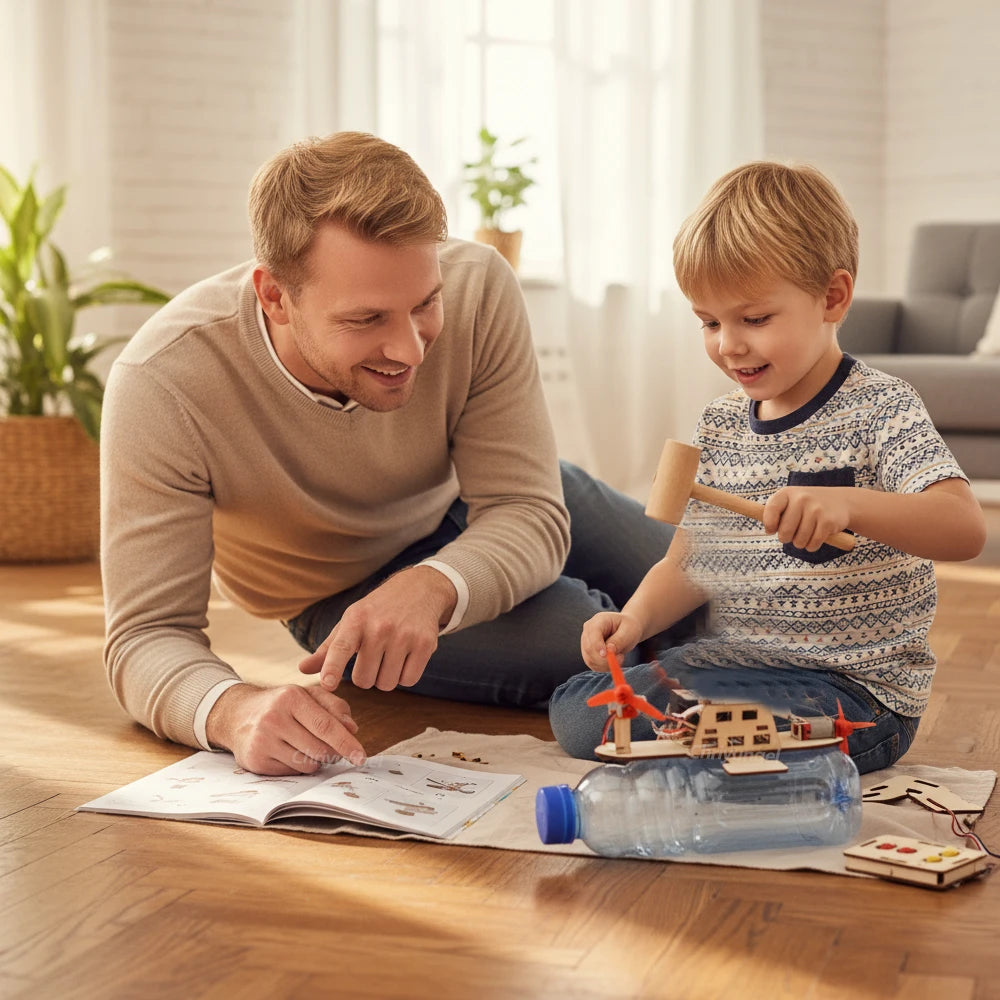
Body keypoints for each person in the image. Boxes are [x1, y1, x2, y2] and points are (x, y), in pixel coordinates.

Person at [101, 131, 680, 776]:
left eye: (425, 304)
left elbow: (527, 508)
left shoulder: (479, 285)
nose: (409, 350)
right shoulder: (164, 382)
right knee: (609, 647)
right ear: (275, 296)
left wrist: (435, 584)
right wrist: (231, 709)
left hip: (484, 504)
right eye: (365, 320)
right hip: (338, 591)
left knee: (716, 584)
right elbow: (144, 636)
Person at [549, 161, 987, 773]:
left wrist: (851, 503)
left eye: (754, 319)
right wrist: (635, 619)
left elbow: (963, 527)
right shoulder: (722, 424)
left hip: (850, 689)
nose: (728, 343)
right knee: (576, 709)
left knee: (723, 731)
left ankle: (717, 748)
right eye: (709, 321)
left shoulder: (881, 407)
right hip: (736, 664)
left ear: (832, 297)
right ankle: (713, 746)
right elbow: (691, 561)